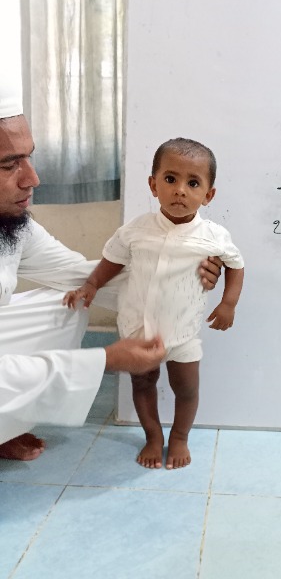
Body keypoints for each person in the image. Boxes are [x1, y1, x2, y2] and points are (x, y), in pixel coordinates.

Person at [0, 109, 222, 462]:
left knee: (70, 301)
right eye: (9, 165)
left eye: (30, 158)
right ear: (154, 184)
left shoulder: (12, 225)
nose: (33, 179)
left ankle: (3, 425)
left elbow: (80, 275)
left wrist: (185, 273)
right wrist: (104, 359)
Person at [64, 138, 244, 470]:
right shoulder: (135, 230)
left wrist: (228, 303)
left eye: (193, 183)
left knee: (186, 388)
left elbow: (236, 265)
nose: (180, 191)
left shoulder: (214, 236)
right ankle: (153, 436)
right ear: (153, 184)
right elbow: (112, 260)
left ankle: (179, 437)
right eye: (170, 179)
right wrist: (91, 284)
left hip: (184, 333)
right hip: (138, 330)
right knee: (142, 383)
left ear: (208, 195)